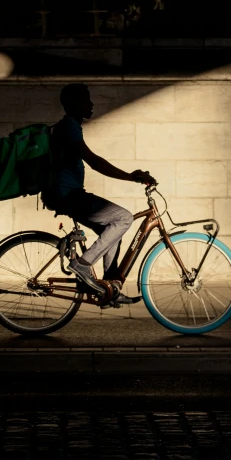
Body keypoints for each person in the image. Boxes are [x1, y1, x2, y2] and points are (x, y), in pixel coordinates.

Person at [41, 82, 155, 303]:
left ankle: (109, 289)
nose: (91, 104)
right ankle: (82, 264)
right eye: (86, 100)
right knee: (123, 217)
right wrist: (131, 177)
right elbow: (94, 161)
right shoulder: (69, 128)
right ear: (74, 103)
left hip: (66, 195)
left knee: (112, 229)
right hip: (67, 195)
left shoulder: (68, 126)